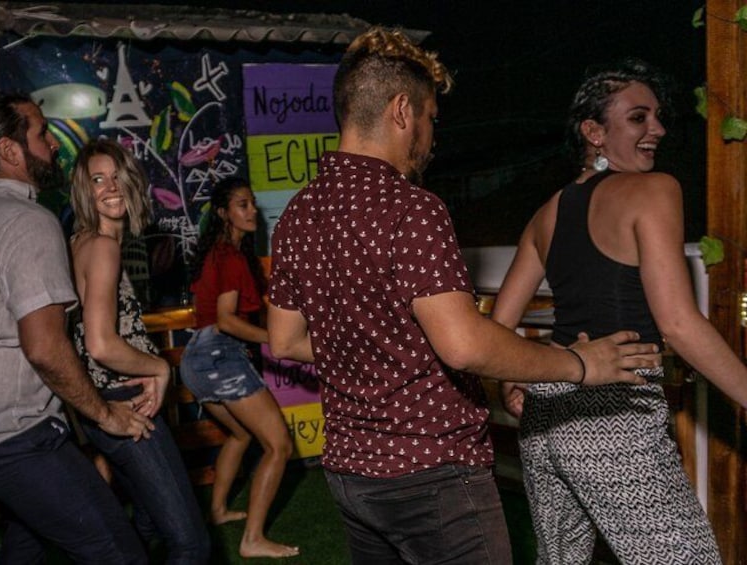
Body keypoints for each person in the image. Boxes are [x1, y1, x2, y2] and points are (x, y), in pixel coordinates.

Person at [266, 28, 660, 565]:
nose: (431, 136)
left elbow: (286, 340)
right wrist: (577, 364)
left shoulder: (297, 216)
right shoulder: (412, 208)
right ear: (402, 111)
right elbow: (463, 345)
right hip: (431, 474)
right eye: (430, 118)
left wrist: (392, 344)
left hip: (350, 472)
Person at [491, 59, 747, 563]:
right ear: (594, 131)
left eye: (656, 117)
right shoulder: (656, 191)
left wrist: (512, 380)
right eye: (638, 117)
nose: (658, 129)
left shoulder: (547, 212)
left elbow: (498, 329)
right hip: (616, 419)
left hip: (547, 415)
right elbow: (677, 321)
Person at [0, 92, 152, 564]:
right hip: (11, 431)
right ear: (10, 150)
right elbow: (45, 348)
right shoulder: (26, 220)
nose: (53, 143)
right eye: (42, 133)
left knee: (29, 545)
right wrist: (105, 415)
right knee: (123, 554)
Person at [69, 138, 210, 564]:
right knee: (191, 544)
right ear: (83, 190)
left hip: (103, 405)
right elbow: (100, 343)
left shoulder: (81, 242)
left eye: (118, 176)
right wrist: (160, 368)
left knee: (147, 524)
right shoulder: (104, 247)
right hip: (126, 405)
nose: (111, 187)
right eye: (98, 179)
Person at [179, 177, 299, 559]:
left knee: (239, 436)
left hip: (195, 360)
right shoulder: (229, 256)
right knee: (278, 445)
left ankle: (216, 510)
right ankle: (253, 540)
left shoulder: (217, 252)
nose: (252, 212)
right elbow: (227, 321)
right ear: (223, 213)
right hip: (219, 354)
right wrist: (274, 338)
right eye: (242, 205)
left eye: (252, 204)